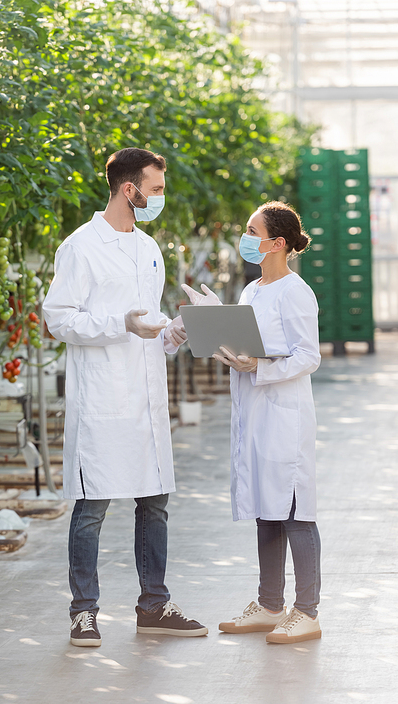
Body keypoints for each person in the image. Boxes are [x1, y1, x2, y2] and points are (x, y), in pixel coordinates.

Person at [43, 147, 208, 647]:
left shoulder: (149, 248)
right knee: (92, 507)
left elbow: (148, 330)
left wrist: (174, 333)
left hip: (146, 399)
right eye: (155, 189)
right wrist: (121, 324)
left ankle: (154, 605)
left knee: (154, 503)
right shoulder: (80, 246)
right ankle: (83, 611)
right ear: (129, 189)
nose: (161, 197)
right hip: (103, 398)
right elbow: (59, 319)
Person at [183, 201, 322, 644]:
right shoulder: (252, 291)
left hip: (285, 418)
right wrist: (220, 335)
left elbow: (307, 355)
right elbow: (247, 343)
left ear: (277, 243)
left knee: (296, 512)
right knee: (267, 510)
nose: (245, 238)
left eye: (251, 230)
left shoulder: (296, 292)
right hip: (254, 416)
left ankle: (308, 611)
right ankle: (268, 605)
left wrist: (258, 367)